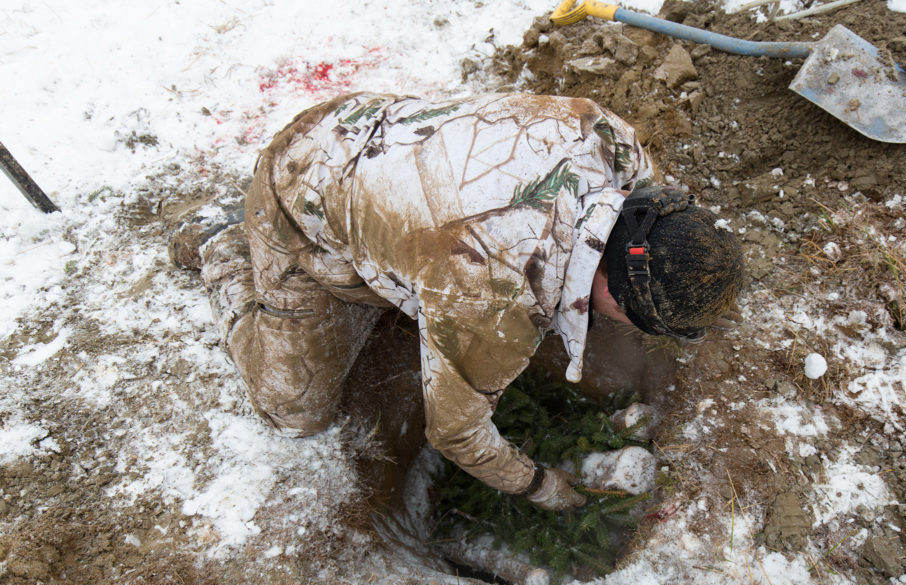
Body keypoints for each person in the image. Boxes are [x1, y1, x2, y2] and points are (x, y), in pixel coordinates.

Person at [170, 91, 744, 512]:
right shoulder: (494, 290)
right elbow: (454, 432)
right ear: (613, 289)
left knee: (426, 275)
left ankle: (383, 263)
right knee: (294, 407)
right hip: (302, 188)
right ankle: (222, 242)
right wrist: (538, 484)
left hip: (370, 130)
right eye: (634, 319)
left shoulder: (615, 144)